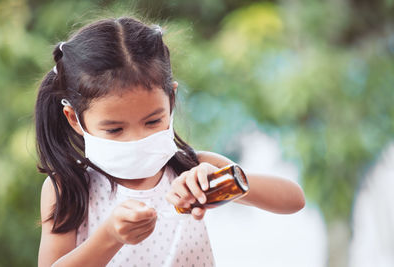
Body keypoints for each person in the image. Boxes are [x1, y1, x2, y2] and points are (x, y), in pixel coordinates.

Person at [36, 16, 305, 267]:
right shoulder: (68, 187)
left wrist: (222, 183)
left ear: (171, 100)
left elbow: (294, 199)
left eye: (153, 122)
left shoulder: (193, 168)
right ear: (74, 119)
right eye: (115, 129)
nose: (138, 139)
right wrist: (110, 236)